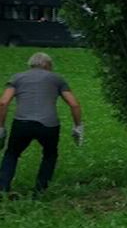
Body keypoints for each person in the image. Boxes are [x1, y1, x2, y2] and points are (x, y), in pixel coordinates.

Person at [0, 52, 83, 196]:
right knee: (50, 154)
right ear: (48, 65)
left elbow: (3, 102)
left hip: (22, 123)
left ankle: (2, 189)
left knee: (12, 153)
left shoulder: (17, 78)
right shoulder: (57, 79)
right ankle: (40, 190)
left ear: (30, 64)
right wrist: (77, 126)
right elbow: (74, 104)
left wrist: (1, 127)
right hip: (49, 125)